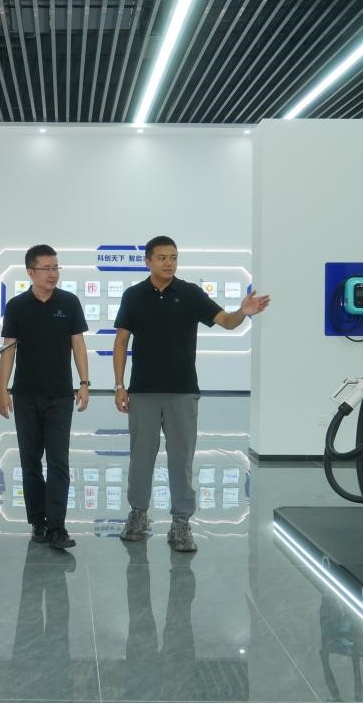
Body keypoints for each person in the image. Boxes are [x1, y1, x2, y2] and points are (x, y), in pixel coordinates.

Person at [113, 236, 270, 551]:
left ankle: (181, 523)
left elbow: (225, 321)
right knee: (140, 457)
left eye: (173, 257)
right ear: (148, 261)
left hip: (183, 390)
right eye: (162, 257)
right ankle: (138, 514)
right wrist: (119, 385)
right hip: (143, 390)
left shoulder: (190, 293)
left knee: (181, 458)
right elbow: (121, 341)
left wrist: (242, 312)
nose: (169, 263)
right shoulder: (133, 295)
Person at [0, 244, 89, 550]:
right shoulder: (17, 306)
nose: (53, 274)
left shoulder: (69, 302)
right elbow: (8, 349)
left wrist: (84, 382)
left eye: (56, 267)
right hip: (26, 395)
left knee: (59, 461)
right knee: (30, 461)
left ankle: (57, 527)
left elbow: (78, 345)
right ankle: (38, 521)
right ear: (30, 272)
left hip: (60, 395)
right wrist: (2, 389)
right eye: (47, 268)